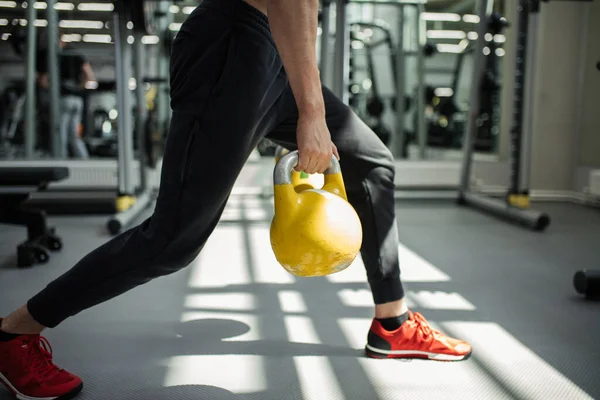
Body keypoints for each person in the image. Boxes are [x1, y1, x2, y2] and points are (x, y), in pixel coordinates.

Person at [0, 0, 472, 398]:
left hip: (271, 54)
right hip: (233, 48)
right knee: (172, 241)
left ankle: (392, 323)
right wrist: (311, 112)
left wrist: (306, 93)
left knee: (370, 162)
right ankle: (15, 330)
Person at [36, 31, 95, 159]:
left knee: (60, 133)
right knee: (74, 135)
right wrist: (78, 87)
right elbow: (89, 76)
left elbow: (43, 81)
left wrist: (54, 88)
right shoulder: (77, 55)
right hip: (77, 100)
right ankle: (84, 161)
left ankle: (61, 160)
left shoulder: (51, 56)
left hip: (63, 99)